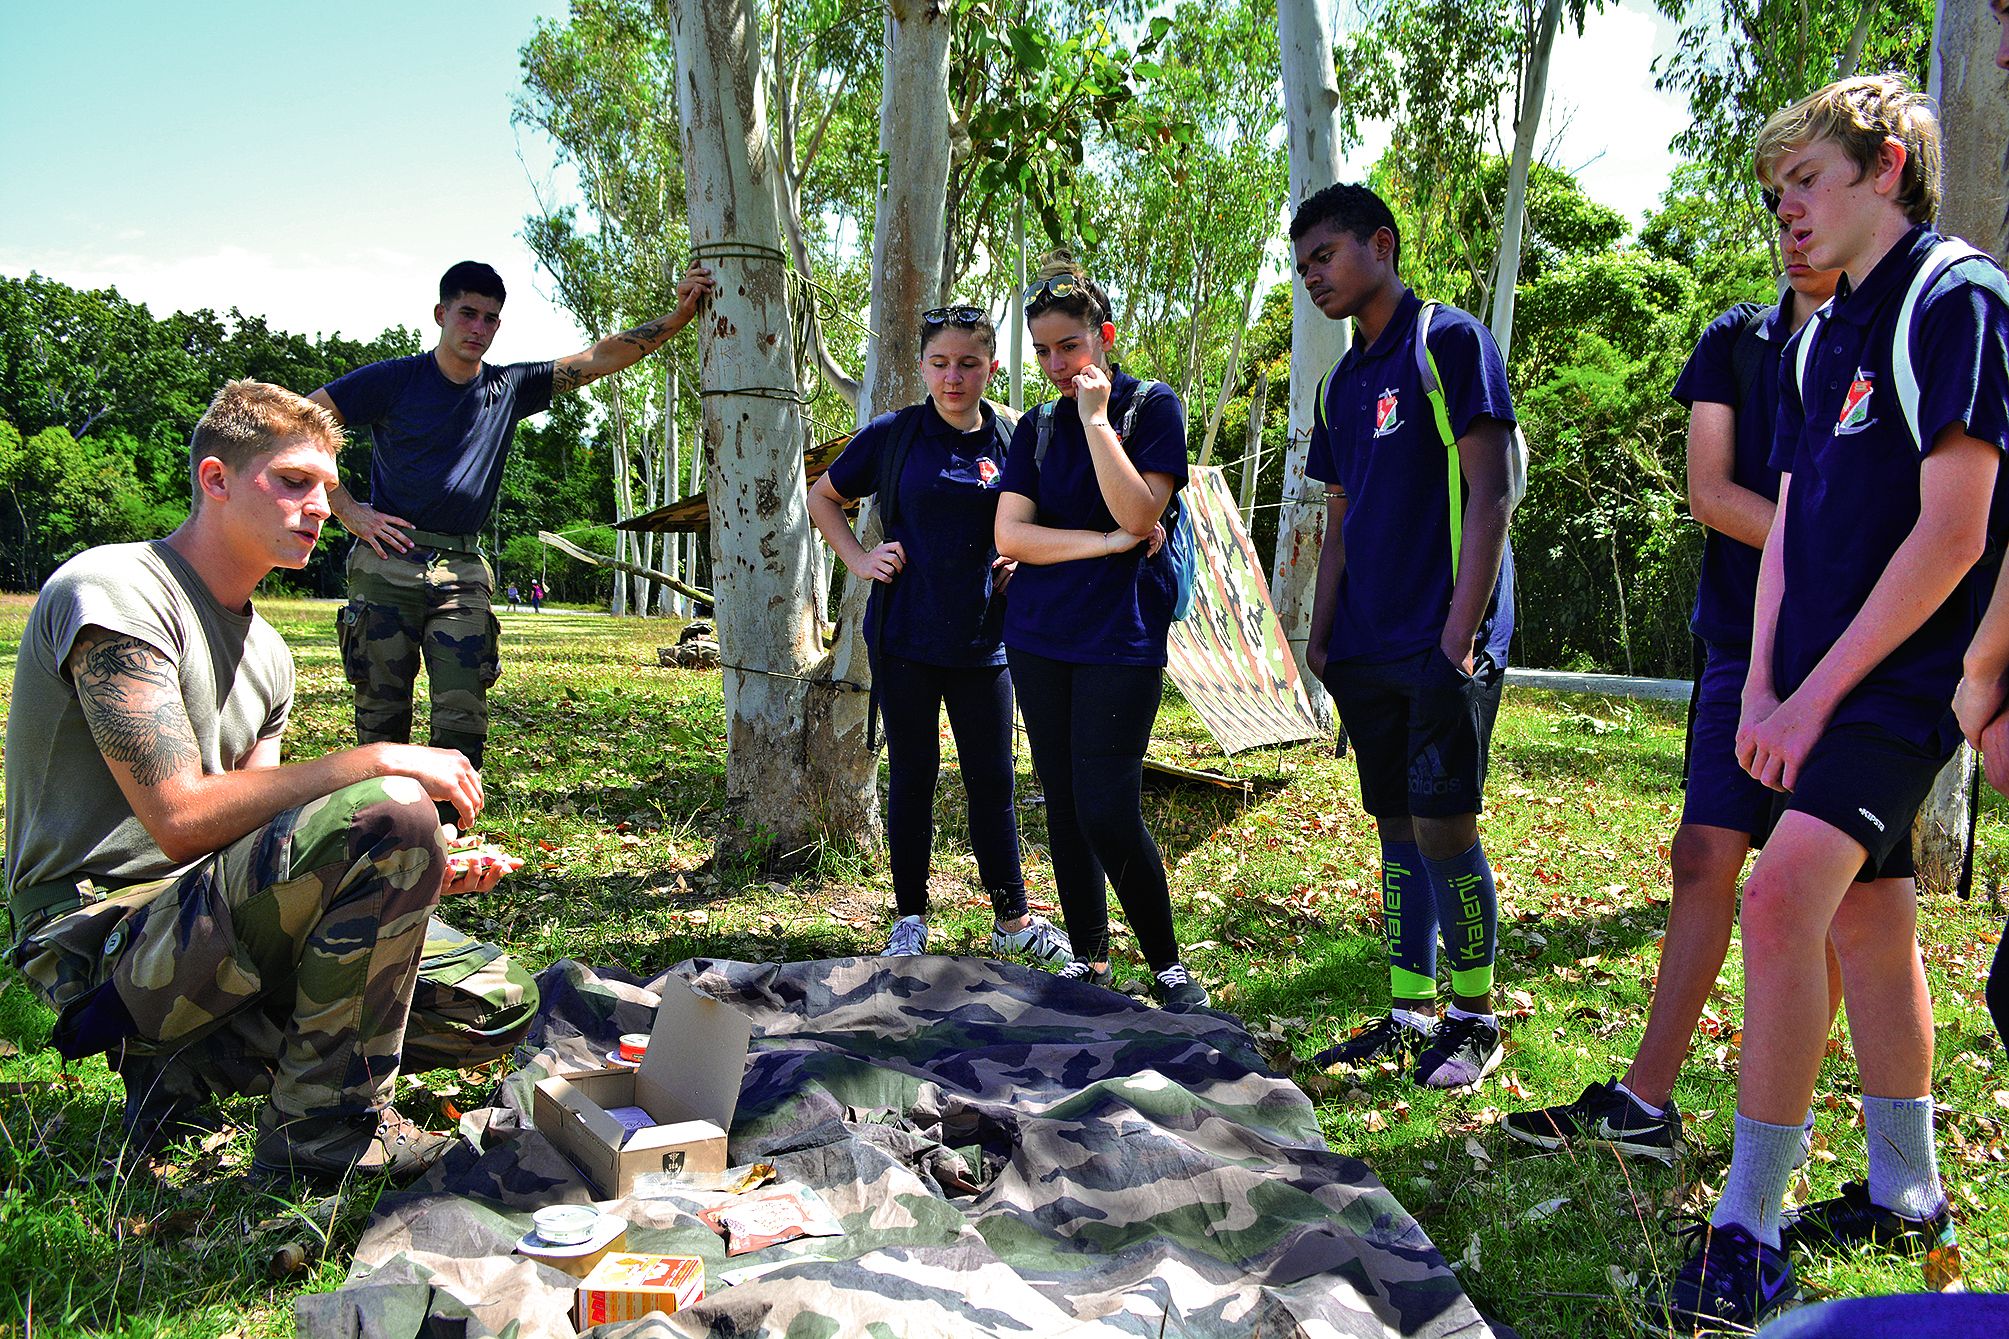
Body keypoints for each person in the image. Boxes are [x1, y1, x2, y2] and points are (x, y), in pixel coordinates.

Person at [1648, 76, 2008, 1333]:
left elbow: (1955, 531)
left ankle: (1748, 1224)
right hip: (1806, 683)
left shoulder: (1951, 296)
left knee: (1781, 894)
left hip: (1894, 679)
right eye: (1774, 192)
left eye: (1806, 182)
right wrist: (1761, 681)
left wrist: (1820, 697)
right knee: (1867, 923)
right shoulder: (1817, 338)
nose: (1783, 211)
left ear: (1887, 168)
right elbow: (1791, 520)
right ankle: (1906, 1189)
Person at [4, 380, 538, 1182]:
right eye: (292, 481)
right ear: (215, 479)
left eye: (326, 487)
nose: (320, 506)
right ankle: (321, 1136)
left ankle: (193, 1063)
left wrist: (411, 870)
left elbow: (247, 834)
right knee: (388, 808)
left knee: (495, 998)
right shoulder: (115, 591)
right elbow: (181, 817)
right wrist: (378, 764)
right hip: (98, 941)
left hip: (207, 917)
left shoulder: (269, 655)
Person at [1507, 223, 1845, 1162]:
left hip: (1851, 651)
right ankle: (1644, 1104)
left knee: (1818, 886)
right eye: (1778, 211)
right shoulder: (1736, 339)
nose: (1796, 230)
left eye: (1812, 197)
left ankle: (1785, 1120)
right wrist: (1826, 544)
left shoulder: (1885, 337)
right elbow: (1709, 491)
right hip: (1739, 641)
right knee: (1703, 852)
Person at [309, 259, 714, 769]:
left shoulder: (506, 389)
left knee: (462, 717)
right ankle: (381, 826)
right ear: (441, 313)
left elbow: (598, 356)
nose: (479, 328)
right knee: (380, 715)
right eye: (468, 314)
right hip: (384, 563)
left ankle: (450, 828)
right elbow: (301, 422)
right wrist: (347, 510)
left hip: (461, 572)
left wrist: (676, 318)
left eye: (490, 318)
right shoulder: (393, 380)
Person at [1291, 183, 1517, 1089]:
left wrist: (1458, 638)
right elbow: (1338, 519)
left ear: (1379, 245)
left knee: (1443, 826)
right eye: (1302, 264)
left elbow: (1492, 492)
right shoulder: (1338, 383)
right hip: (1366, 645)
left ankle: (1472, 1017)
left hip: (1440, 638)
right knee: (1393, 827)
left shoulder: (1448, 342)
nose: (1311, 276)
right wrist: (1320, 628)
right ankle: (1405, 1011)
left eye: (1325, 256)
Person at [807, 307, 1070, 965]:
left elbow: (1034, 522)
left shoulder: (1012, 440)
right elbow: (821, 497)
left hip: (986, 644)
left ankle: (1011, 918)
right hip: (905, 640)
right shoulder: (894, 435)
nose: (953, 377)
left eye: (968, 363)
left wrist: (1018, 557)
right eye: (940, 362)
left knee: (992, 780)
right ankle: (909, 919)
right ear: (922, 365)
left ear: (991, 366)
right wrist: (860, 560)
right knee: (913, 778)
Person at [992, 256, 1209, 1010]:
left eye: (1070, 346)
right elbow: (1012, 534)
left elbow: (1139, 512)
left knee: (1107, 805)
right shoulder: (1032, 428)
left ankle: (1169, 966)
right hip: (1039, 634)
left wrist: (1093, 421)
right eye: (1042, 350)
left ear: (1103, 336)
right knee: (1060, 799)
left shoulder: (1150, 410)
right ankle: (1090, 957)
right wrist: (1102, 545)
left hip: (1121, 636)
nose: (1056, 365)